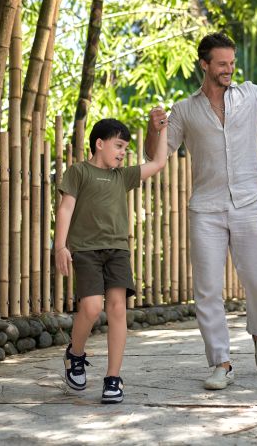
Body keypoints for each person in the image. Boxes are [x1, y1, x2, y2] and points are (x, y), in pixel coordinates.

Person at [145, 32, 257, 390]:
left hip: (248, 202)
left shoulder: (251, 94)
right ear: (204, 64)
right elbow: (156, 154)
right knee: (207, 291)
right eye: (222, 64)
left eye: (231, 63)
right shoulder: (184, 110)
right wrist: (152, 130)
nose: (229, 69)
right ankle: (221, 362)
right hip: (206, 209)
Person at [55, 118, 168, 403]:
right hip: (86, 250)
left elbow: (158, 163)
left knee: (118, 309)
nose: (122, 153)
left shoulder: (123, 176)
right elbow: (66, 209)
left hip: (118, 250)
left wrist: (162, 129)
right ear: (99, 144)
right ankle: (75, 354)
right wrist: (60, 246)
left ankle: (113, 378)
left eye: (125, 148)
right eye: (118, 146)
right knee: (92, 307)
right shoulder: (78, 172)